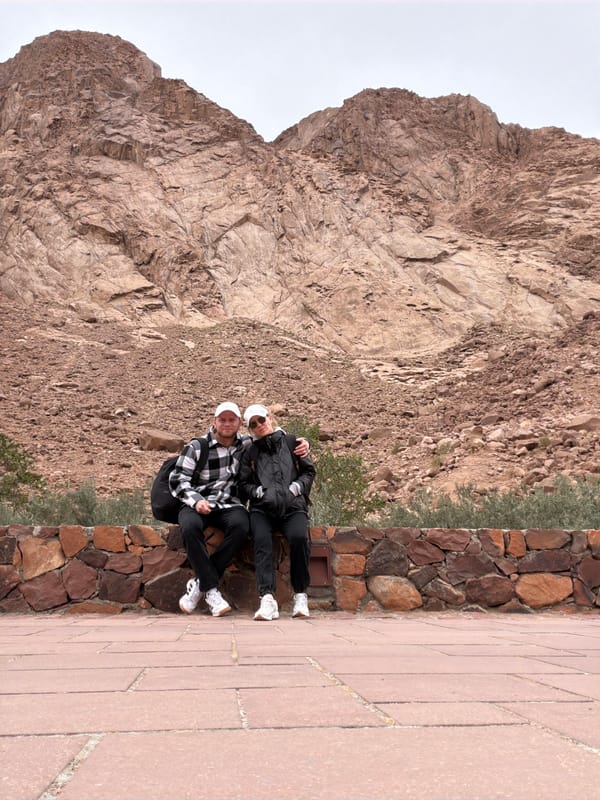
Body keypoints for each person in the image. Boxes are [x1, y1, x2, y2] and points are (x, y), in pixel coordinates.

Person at [169, 401, 309, 616]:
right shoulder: (197, 447)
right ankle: (211, 588)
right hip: (198, 502)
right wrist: (196, 500)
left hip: (227, 504)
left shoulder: (245, 444)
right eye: (222, 420)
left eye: (232, 420)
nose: (227, 424)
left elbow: (273, 438)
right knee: (189, 527)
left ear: (238, 425)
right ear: (214, 422)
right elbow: (178, 479)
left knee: (242, 526)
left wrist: (303, 443)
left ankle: (200, 584)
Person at [238, 404, 316, 621]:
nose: (259, 426)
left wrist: (296, 488)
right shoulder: (250, 452)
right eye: (253, 424)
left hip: (293, 507)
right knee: (262, 542)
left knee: (299, 539)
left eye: (261, 420)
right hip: (262, 509)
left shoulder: (293, 442)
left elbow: (309, 471)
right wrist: (259, 492)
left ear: (269, 418)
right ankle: (267, 598)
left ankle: (300, 595)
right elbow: (242, 484)